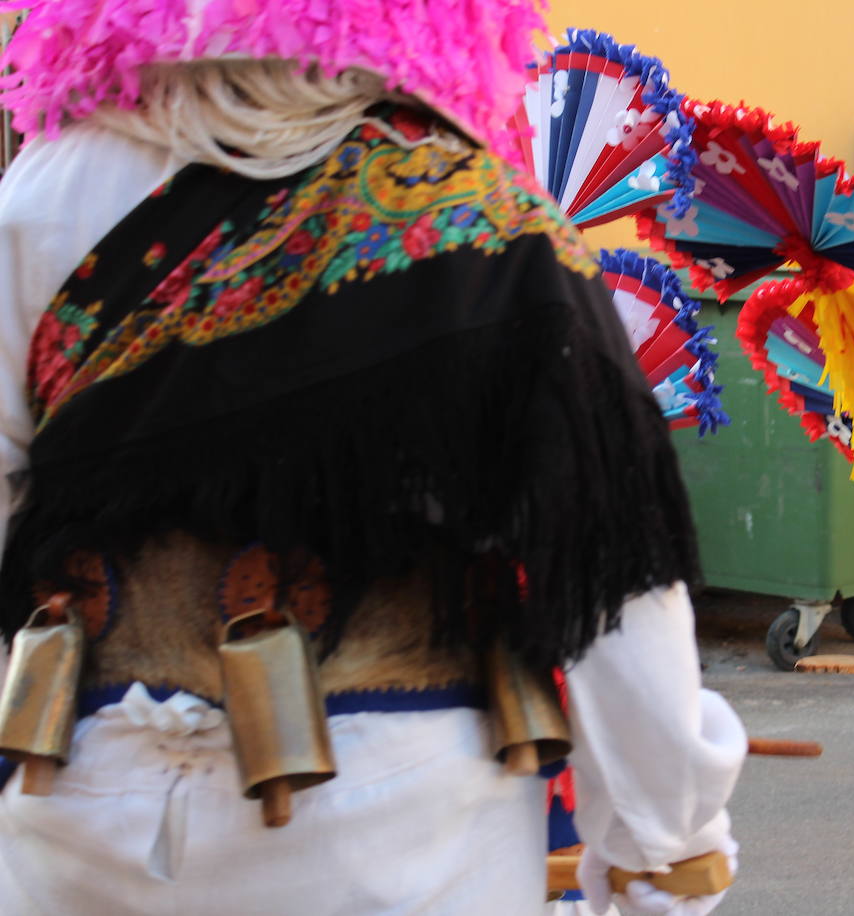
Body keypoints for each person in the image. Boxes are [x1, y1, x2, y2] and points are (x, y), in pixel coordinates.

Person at [0, 3, 744, 914]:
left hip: (78, 810)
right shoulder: (483, 217)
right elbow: (613, 576)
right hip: (394, 827)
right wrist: (665, 846)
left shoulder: (37, 194)